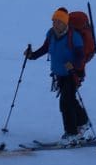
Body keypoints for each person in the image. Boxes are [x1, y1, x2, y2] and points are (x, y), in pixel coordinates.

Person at [25, 8, 89, 145]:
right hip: (59, 74)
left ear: (65, 23)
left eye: (59, 22)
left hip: (72, 75)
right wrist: (32, 55)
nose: (55, 24)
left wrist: (74, 66)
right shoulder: (51, 34)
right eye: (54, 21)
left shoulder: (74, 36)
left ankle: (71, 133)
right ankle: (83, 123)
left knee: (66, 103)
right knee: (70, 100)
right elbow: (45, 48)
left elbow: (81, 56)